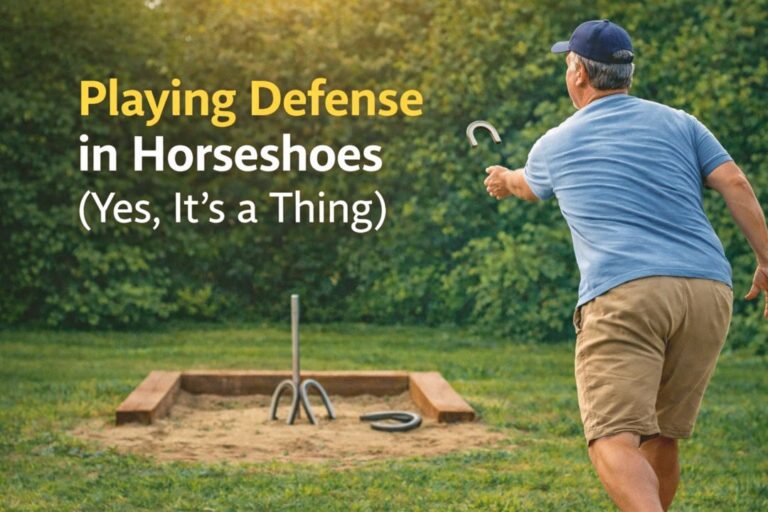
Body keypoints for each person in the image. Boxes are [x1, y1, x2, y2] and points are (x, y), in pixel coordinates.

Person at [483, 19, 768, 512]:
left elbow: (527, 187)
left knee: (612, 438)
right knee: (661, 435)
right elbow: (736, 184)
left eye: (567, 63)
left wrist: (505, 179)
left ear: (577, 73)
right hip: (707, 292)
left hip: (626, 293)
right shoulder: (682, 122)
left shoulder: (556, 142)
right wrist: (766, 259)